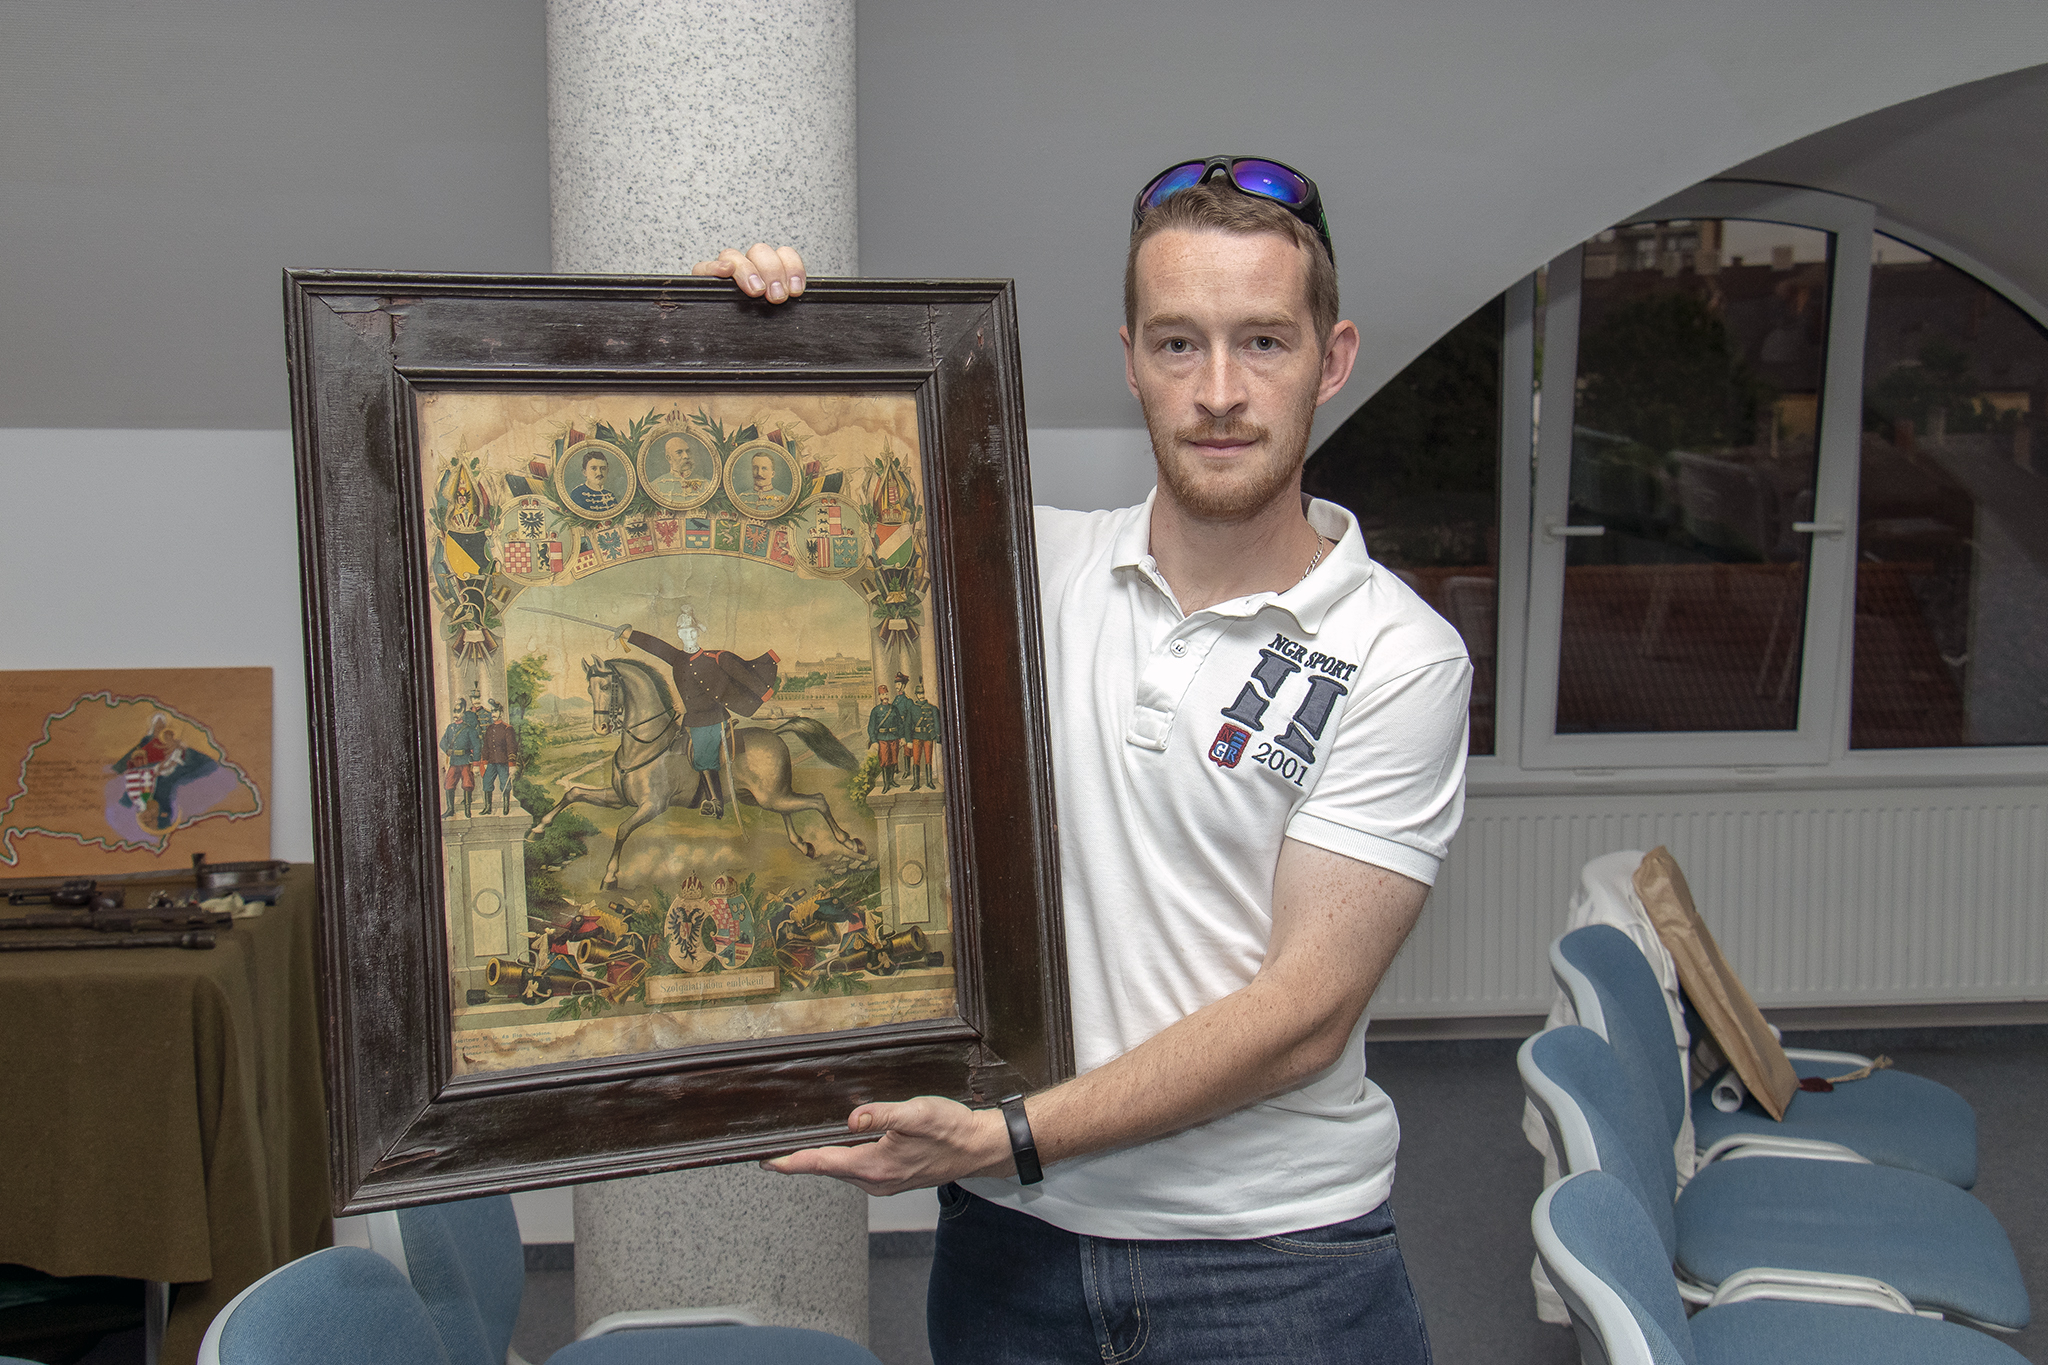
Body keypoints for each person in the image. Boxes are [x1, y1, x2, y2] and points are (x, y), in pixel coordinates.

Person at [693, 156, 1470, 1363]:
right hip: (1009, 1251)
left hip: (1275, 1269)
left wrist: (1012, 1135)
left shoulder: (1398, 655)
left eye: (1262, 342)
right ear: (1128, 361)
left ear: (1332, 358)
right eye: (1177, 344)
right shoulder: (1017, 570)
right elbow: (775, 522)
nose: (1218, 392)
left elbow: (1303, 1016)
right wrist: (723, 342)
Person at [615, 605, 778, 818]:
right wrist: (630, 635)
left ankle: (716, 802)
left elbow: (741, 673)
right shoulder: (677, 659)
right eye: (685, 632)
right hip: (691, 720)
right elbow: (656, 646)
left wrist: (763, 692)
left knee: (703, 755)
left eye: (693, 632)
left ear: (698, 633)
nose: (690, 636)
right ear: (679, 634)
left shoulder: (715, 658)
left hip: (713, 719)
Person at [477, 699, 519, 815]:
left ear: (501, 713)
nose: (493, 714)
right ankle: (487, 808)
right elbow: (486, 746)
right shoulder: (489, 728)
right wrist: (485, 761)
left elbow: (512, 747)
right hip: (491, 762)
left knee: (505, 784)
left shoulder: (507, 728)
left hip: (503, 762)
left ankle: (506, 807)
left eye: (495, 711)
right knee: (486, 782)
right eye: (492, 711)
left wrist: (512, 765)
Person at [439, 702, 481, 818]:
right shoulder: (450, 728)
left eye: (458, 711)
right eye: (454, 711)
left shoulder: (469, 729)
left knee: (467, 784)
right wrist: (448, 750)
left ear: (463, 713)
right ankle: (450, 809)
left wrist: (476, 764)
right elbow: (442, 742)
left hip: (465, 760)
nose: (455, 714)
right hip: (454, 761)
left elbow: (477, 746)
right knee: (449, 784)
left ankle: (467, 810)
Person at [865, 683, 906, 792]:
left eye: (886, 694)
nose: (885, 696)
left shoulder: (894, 709)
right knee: (884, 761)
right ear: (879, 696)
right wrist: (874, 741)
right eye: (883, 694)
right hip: (882, 738)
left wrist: (902, 737)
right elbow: (871, 727)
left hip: (894, 737)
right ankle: (886, 784)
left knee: (893, 760)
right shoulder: (876, 710)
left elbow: (900, 724)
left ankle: (891, 780)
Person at [908, 679, 941, 791]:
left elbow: (937, 723)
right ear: (916, 695)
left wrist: (937, 735)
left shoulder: (932, 708)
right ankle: (916, 783)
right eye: (919, 693)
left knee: (928, 759)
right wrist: (908, 740)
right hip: (916, 737)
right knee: (916, 760)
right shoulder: (912, 709)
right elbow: (908, 725)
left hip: (927, 736)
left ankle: (929, 782)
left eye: (922, 693)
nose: (921, 696)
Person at [568, 449, 622, 515]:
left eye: (603, 468)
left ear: (607, 471)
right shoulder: (577, 494)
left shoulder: (610, 495)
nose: (599, 473)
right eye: (594, 468)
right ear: (584, 472)